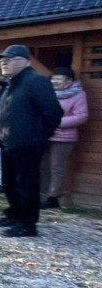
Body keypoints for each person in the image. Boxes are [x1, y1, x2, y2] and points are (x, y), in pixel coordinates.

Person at [0, 45, 63, 238]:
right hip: (8, 143)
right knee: (9, 182)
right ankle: (14, 214)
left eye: (9, 59)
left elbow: (54, 113)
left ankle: (28, 225)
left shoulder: (35, 81)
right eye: (2, 59)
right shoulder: (10, 83)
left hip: (28, 144)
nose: (4, 62)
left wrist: (37, 136)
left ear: (24, 61)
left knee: (27, 184)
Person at [40, 66, 89, 209]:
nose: (54, 81)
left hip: (64, 137)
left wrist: (57, 123)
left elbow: (82, 116)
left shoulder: (79, 94)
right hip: (43, 135)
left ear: (69, 81)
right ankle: (38, 193)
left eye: (58, 78)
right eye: (53, 78)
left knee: (57, 168)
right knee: (39, 164)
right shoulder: (47, 92)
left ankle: (53, 198)